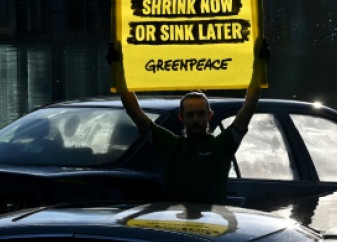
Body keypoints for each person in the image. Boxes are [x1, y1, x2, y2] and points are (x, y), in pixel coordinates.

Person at [107, 39, 270, 204]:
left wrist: (259, 64)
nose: (196, 119)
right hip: (176, 226)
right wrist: (118, 67)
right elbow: (134, 111)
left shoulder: (222, 145)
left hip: (213, 225)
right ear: (181, 118)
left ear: (209, 115)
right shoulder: (171, 145)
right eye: (190, 115)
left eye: (200, 114)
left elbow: (249, 107)